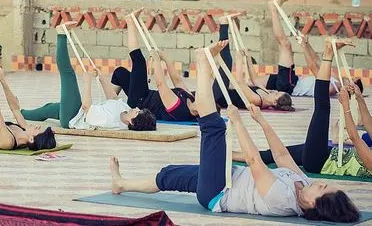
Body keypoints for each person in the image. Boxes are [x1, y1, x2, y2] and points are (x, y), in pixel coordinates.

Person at [109, 41, 360, 223]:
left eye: (324, 190)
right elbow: (282, 156)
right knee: (168, 175)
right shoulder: (302, 184)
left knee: (214, 127)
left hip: (218, 191)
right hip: (229, 175)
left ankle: (203, 64)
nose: (323, 184)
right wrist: (261, 121)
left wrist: (238, 123)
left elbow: (254, 161)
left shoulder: (282, 200)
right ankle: (121, 184)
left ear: (313, 204)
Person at [234, 37, 372, 179]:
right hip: (327, 152)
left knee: (322, 109)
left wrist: (346, 106)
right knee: (273, 154)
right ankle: (231, 154)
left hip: (319, 161)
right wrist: (359, 98)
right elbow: (369, 124)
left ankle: (328, 53)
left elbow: (354, 136)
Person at [21, 22, 156, 131]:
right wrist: (102, 78)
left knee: (68, 75)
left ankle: (61, 34)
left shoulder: (108, 121)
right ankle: (21, 113)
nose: (137, 108)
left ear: (131, 121)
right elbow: (113, 98)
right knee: (49, 108)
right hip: (78, 111)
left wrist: (88, 82)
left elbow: (87, 107)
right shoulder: (126, 111)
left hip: (73, 117)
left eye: (138, 112)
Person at [245, 0, 363, 97]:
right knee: (250, 83)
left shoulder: (331, 88)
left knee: (285, 45)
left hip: (290, 86)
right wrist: (306, 44)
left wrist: (303, 47)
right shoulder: (336, 79)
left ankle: (273, 9)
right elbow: (317, 60)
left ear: (351, 87)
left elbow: (313, 67)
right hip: (292, 80)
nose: (350, 76)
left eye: (353, 79)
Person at [110, 9, 196, 121]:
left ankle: (130, 22)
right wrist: (165, 57)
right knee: (120, 73)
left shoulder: (181, 110)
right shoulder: (191, 98)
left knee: (139, 61)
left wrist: (156, 61)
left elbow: (161, 85)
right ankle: (110, 103)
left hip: (140, 103)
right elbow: (177, 80)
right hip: (145, 94)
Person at [213, 15, 294, 111]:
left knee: (227, 62)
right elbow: (255, 79)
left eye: (276, 94)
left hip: (219, 97)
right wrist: (248, 59)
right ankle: (225, 23)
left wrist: (239, 61)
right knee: (227, 61)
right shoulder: (267, 93)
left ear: (275, 102)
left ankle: (223, 24)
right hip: (225, 91)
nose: (275, 91)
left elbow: (240, 83)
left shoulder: (257, 100)